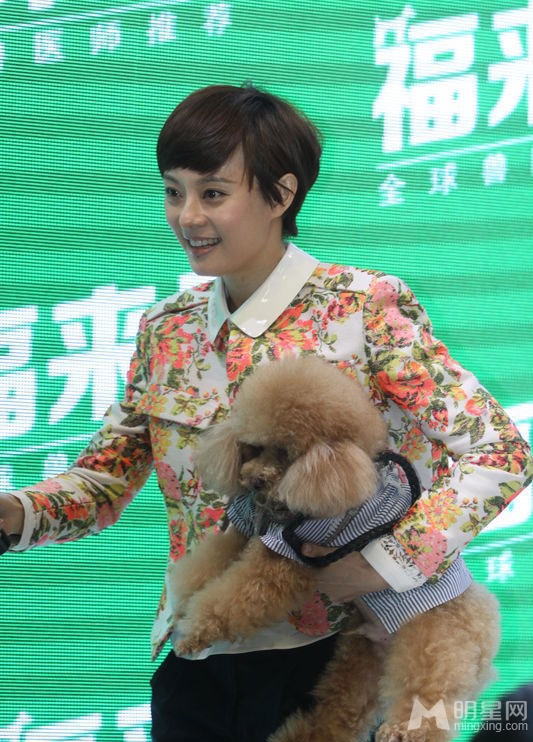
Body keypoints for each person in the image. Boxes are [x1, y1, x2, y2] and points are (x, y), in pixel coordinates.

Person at [0, 83, 532, 742]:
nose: (187, 216)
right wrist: (15, 514)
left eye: (212, 193)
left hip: (331, 665)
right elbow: (103, 481)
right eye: (172, 192)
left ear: (281, 195)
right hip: (196, 659)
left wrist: (389, 563)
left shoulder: (361, 308)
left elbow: (500, 451)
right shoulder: (165, 329)